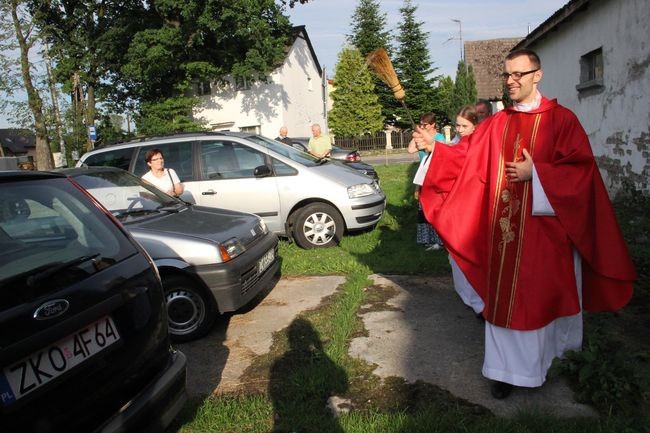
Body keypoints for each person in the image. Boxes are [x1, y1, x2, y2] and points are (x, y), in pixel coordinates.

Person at [414, 49, 636, 399]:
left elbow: (583, 173)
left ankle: (556, 362)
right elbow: (466, 156)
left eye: (519, 74)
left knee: (547, 300)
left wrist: (539, 174)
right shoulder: (497, 124)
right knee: (505, 301)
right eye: (507, 75)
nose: (511, 81)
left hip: (548, 235)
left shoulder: (561, 120)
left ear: (538, 75)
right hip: (505, 234)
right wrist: (436, 150)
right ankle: (504, 372)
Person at [408, 112, 445, 250]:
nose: (423, 126)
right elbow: (410, 149)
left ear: (433, 124)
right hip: (422, 176)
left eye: (425, 125)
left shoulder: (439, 138)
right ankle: (426, 239)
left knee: (435, 208)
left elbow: (440, 154)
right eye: (421, 124)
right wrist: (417, 134)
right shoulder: (421, 137)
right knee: (423, 208)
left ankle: (439, 240)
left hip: (435, 176)